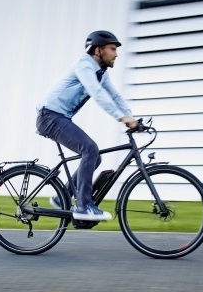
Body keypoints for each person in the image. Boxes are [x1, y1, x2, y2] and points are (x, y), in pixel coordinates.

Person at [36, 30, 137, 221]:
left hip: (59, 117)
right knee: (90, 149)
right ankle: (83, 206)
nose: (116, 54)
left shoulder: (100, 72)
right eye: (112, 49)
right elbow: (97, 93)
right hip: (50, 116)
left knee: (94, 156)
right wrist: (121, 118)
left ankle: (62, 196)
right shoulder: (84, 65)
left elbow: (115, 96)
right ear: (99, 50)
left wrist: (131, 118)